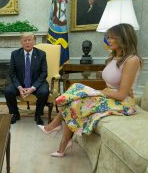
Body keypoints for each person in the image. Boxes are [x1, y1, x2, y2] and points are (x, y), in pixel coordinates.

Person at [38, 23, 142, 158]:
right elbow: (114, 77)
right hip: (110, 96)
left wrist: (102, 92)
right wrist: (102, 78)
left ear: (124, 38)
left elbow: (122, 94)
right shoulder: (114, 57)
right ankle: (58, 132)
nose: (108, 41)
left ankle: (58, 135)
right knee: (76, 87)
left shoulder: (132, 60)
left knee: (75, 103)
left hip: (123, 104)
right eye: (108, 37)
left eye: (112, 38)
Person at [5, 32, 49, 125]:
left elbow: (44, 73)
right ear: (21, 42)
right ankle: (15, 114)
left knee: (44, 92)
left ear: (34, 42)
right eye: (25, 40)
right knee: (8, 91)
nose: (27, 42)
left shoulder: (41, 54)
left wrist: (33, 88)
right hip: (20, 83)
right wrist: (19, 87)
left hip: (36, 83)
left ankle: (38, 114)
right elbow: (11, 73)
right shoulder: (15, 54)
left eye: (30, 40)